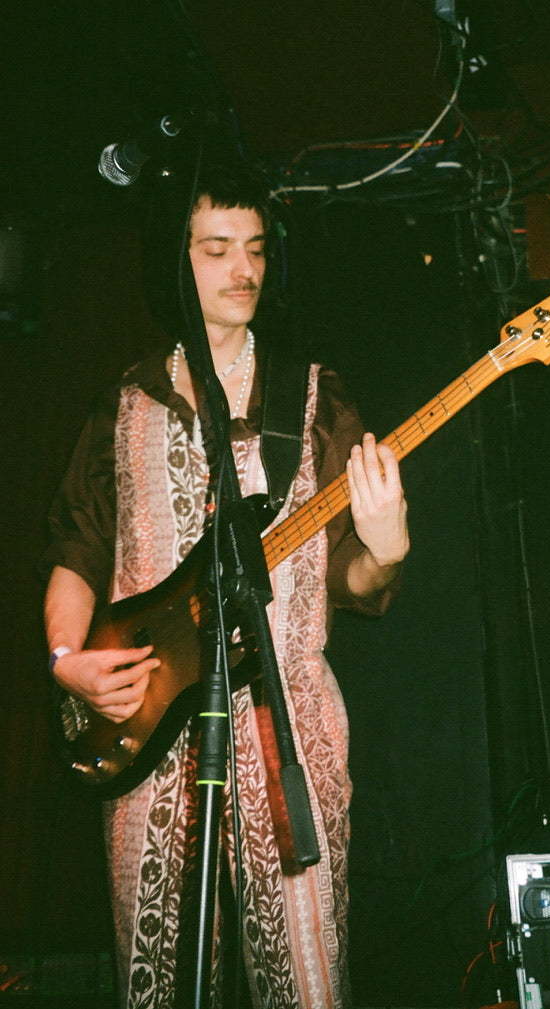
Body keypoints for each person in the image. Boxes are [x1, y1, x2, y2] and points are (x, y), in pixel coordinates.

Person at [43, 164, 410, 1009]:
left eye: (253, 250)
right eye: (216, 250)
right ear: (175, 260)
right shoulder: (122, 404)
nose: (243, 269)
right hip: (149, 728)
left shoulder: (312, 399)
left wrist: (385, 548)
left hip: (291, 734)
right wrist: (68, 658)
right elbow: (74, 547)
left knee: (308, 985)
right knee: (157, 985)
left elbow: (353, 574)